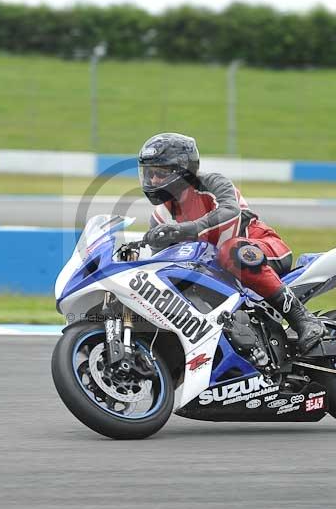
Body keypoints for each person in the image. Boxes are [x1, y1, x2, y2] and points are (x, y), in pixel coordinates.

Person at [138, 132, 324, 353]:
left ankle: (303, 319)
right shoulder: (160, 217)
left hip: (260, 246)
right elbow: (162, 262)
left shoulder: (212, 183)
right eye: (149, 174)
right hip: (218, 272)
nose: (153, 181)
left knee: (231, 251)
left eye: (160, 173)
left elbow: (229, 211)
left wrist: (186, 229)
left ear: (183, 169)